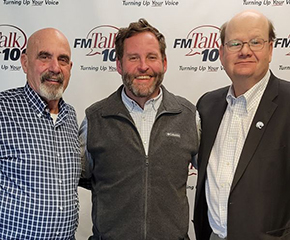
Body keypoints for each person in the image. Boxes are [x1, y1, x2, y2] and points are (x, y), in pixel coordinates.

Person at [79, 18, 199, 240]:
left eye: (151, 57)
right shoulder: (94, 118)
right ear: (119, 64)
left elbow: (213, 180)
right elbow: (80, 177)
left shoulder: (189, 115)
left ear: (164, 62)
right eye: (133, 58)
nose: (143, 66)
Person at [194, 9, 290, 240]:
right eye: (235, 43)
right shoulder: (207, 105)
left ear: (270, 49)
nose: (245, 51)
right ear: (221, 53)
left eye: (255, 42)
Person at [0, 28, 81, 239]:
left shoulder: (70, 116)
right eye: (44, 57)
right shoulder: (2, 110)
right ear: (25, 63)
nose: (55, 68)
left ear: (70, 68)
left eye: (63, 60)